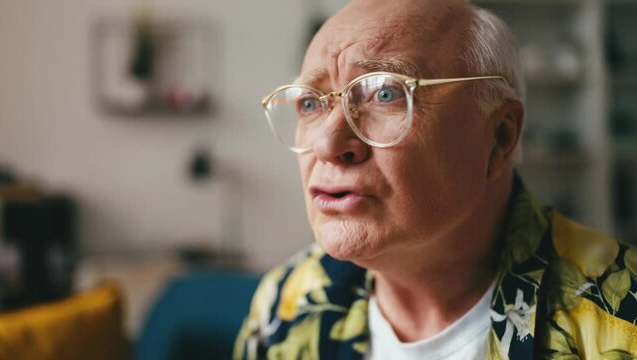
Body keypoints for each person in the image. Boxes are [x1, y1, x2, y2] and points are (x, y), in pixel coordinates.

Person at [234, 0, 637, 358]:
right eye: (309, 103)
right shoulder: (284, 301)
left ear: (499, 137)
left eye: (385, 93)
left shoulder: (623, 315)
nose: (326, 144)